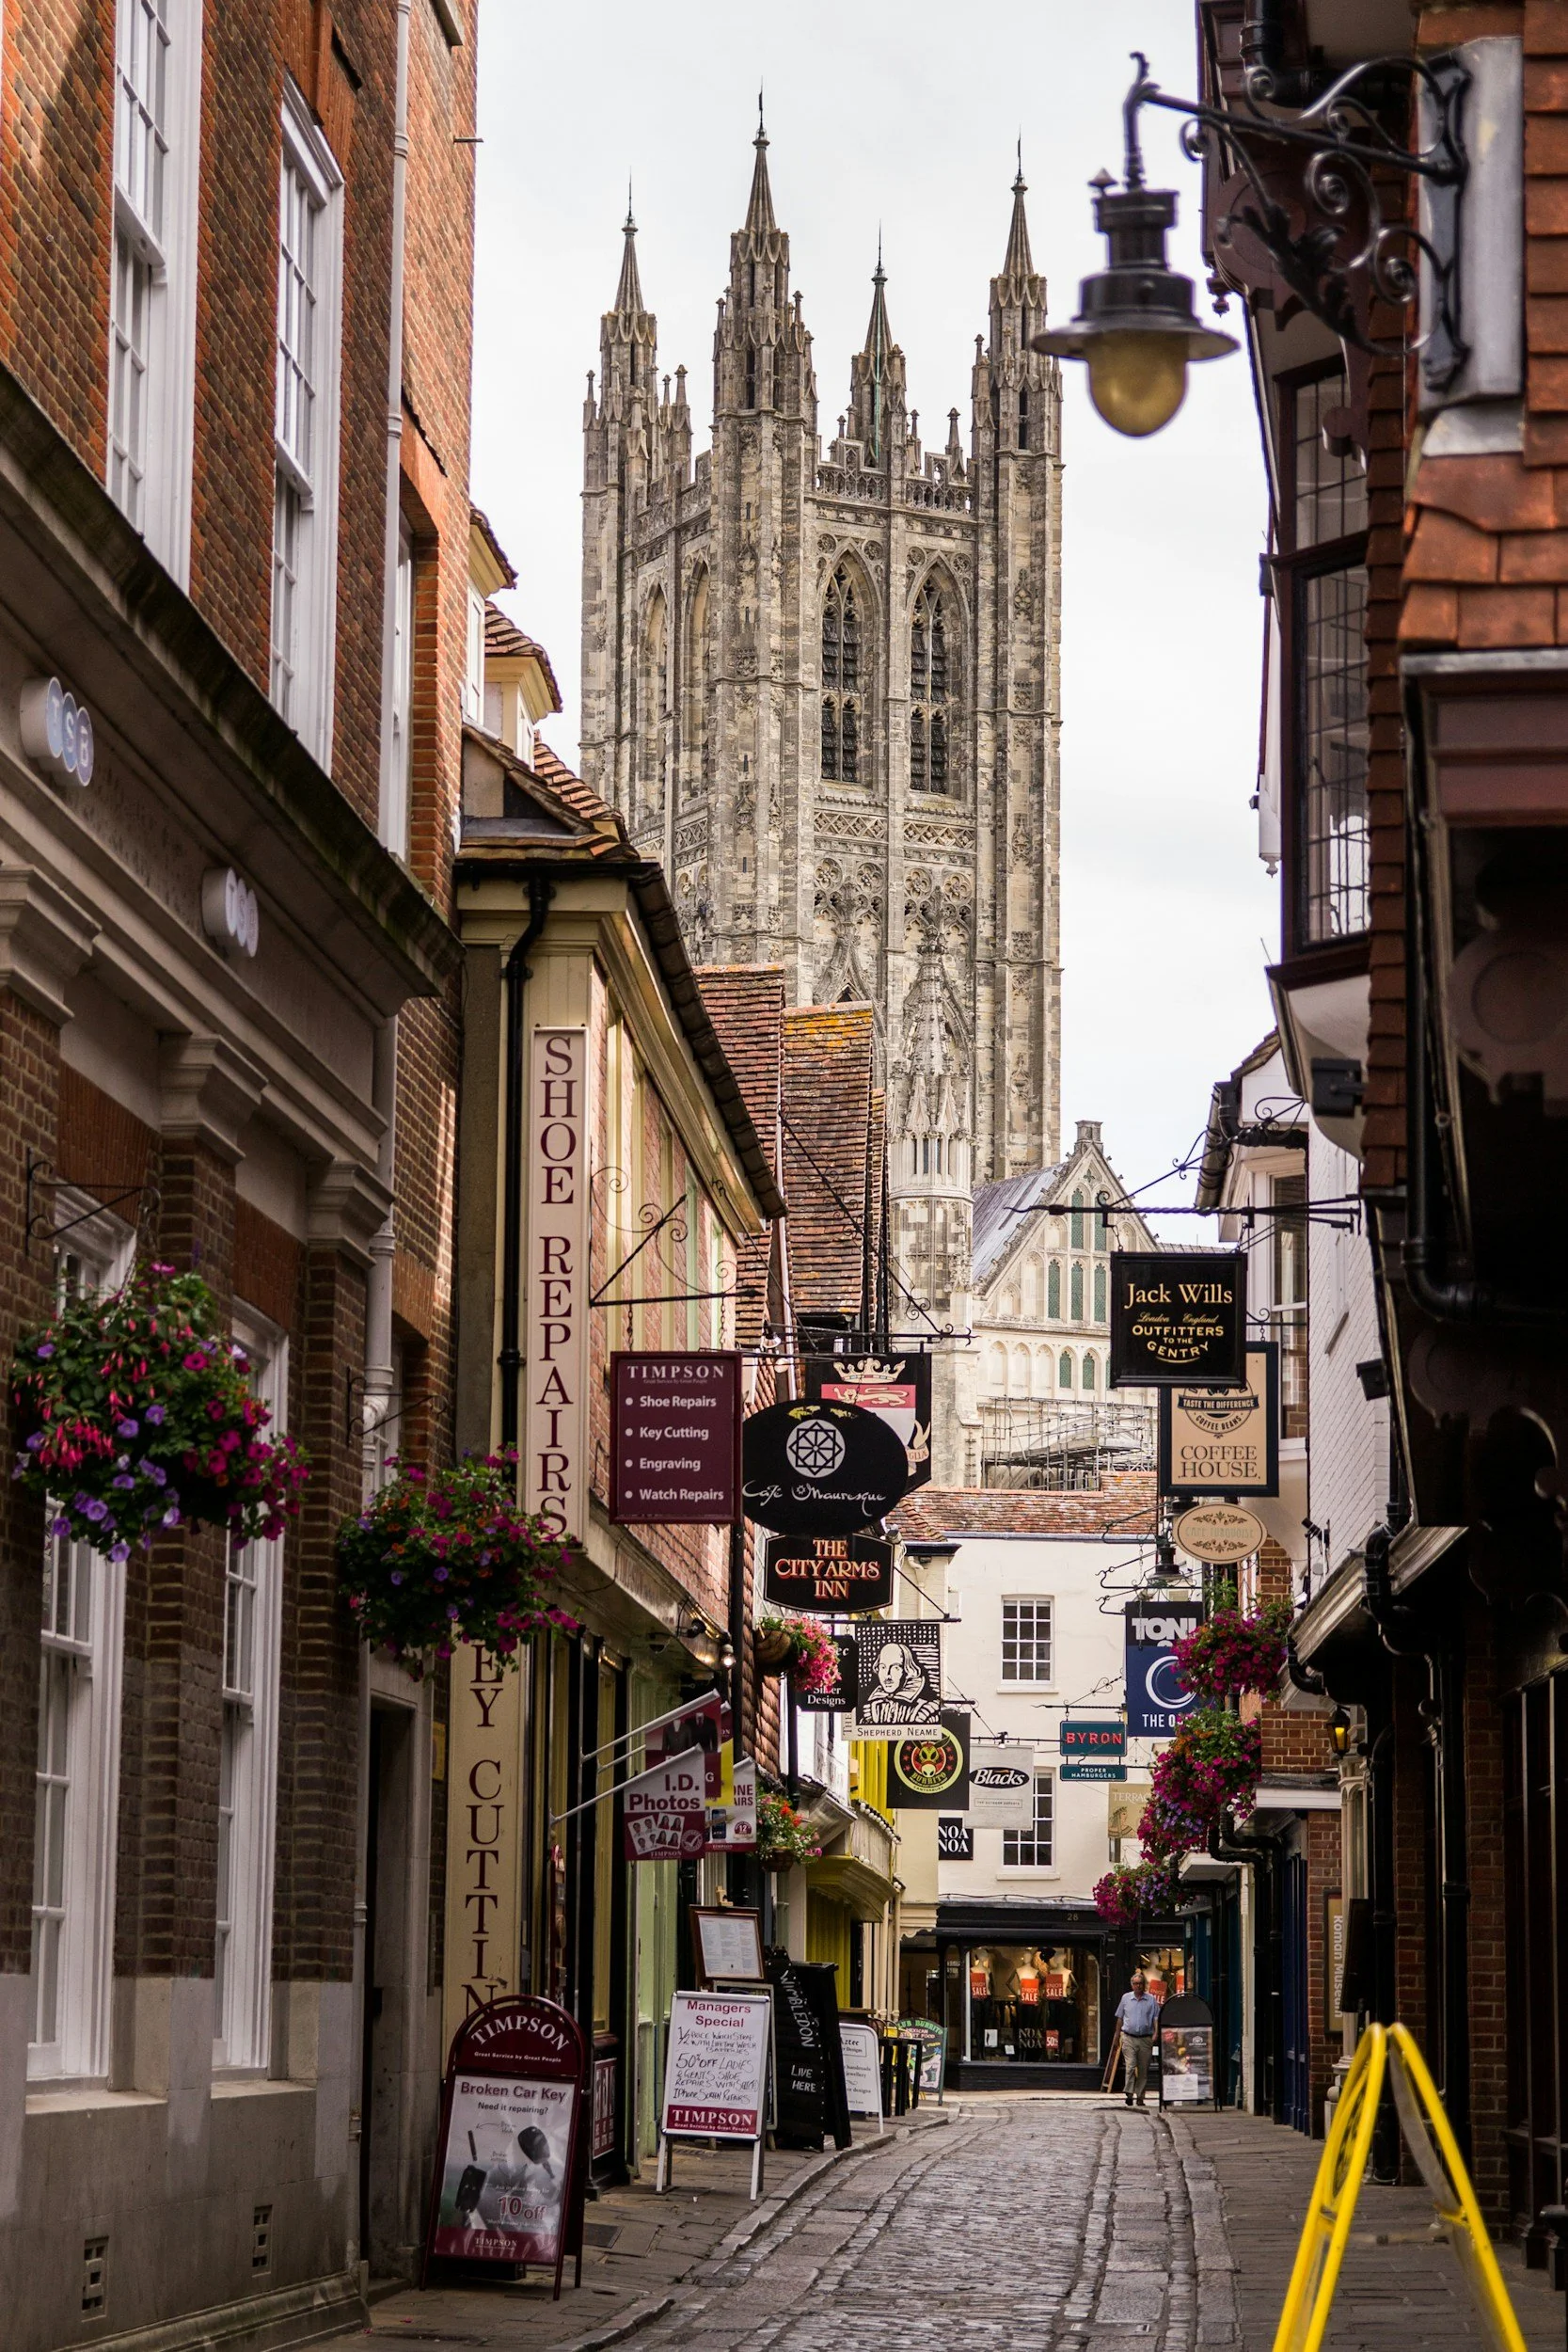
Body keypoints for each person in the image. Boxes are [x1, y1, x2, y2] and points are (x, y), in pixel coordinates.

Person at [1115, 1968, 1161, 2108]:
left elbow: (1155, 2018)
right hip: (1129, 2037)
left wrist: (1155, 2033)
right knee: (1130, 2066)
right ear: (1132, 1985)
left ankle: (1140, 2097)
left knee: (1143, 2069)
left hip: (1145, 2038)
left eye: (1140, 1983)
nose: (1138, 1986)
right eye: (1135, 1984)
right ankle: (1129, 2093)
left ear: (1144, 1984)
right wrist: (1117, 2035)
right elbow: (1120, 2018)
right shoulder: (1126, 1998)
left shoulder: (1151, 2000)